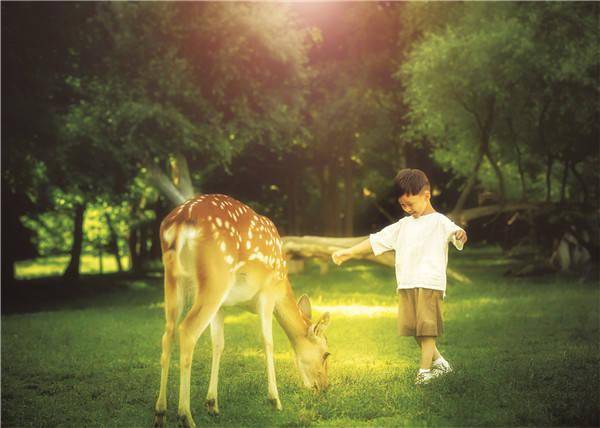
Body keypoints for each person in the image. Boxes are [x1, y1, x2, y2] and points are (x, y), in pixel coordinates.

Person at [331, 168, 467, 385]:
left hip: (430, 282)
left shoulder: (440, 221)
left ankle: (424, 372)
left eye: (410, 204)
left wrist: (460, 233)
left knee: (427, 329)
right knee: (415, 329)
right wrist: (349, 253)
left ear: (427, 195)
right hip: (407, 283)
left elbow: (457, 233)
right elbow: (376, 241)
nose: (406, 209)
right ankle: (440, 363)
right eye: (402, 205)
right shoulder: (403, 226)